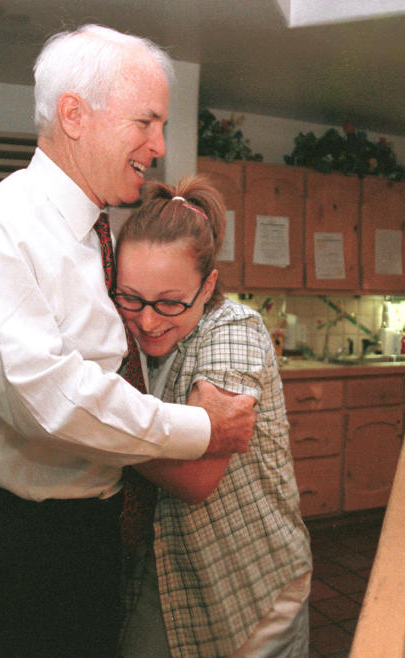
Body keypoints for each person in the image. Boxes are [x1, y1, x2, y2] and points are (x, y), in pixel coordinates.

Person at [0, 25, 256, 657]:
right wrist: (200, 428)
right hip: (19, 555)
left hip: (84, 540)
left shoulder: (94, 236)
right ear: (74, 115)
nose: (158, 147)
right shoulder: (3, 228)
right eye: (146, 122)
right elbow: (45, 400)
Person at [114, 176, 313, 657]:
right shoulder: (135, 338)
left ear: (208, 287)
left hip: (252, 587)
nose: (147, 320)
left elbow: (198, 475)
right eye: (131, 297)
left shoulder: (234, 330)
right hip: (169, 576)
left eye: (169, 302)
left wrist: (83, 430)